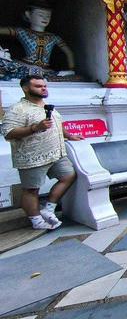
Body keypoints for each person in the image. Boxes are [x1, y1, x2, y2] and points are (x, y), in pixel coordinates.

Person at [1, 75, 83, 229]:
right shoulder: (17, 109)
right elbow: (8, 133)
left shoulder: (46, 106)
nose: (43, 88)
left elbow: (57, 124)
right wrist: (35, 128)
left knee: (68, 176)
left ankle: (49, 209)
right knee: (32, 189)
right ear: (26, 88)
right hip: (32, 157)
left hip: (56, 153)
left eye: (44, 86)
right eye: (38, 86)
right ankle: (37, 221)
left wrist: (70, 136)